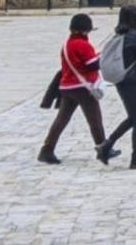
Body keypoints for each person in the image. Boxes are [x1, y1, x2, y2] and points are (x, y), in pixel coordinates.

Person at [38, 13, 114, 164]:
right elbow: (91, 65)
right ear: (85, 30)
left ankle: (47, 150)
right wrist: (103, 57)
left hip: (67, 87)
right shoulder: (82, 45)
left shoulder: (67, 44)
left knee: (61, 120)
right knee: (95, 119)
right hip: (82, 87)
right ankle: (103, 149)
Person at [99, 4, 136, 170]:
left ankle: (106, 146)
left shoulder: (120, 34)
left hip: (121, 80)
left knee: (134, 117)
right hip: (135, 81)